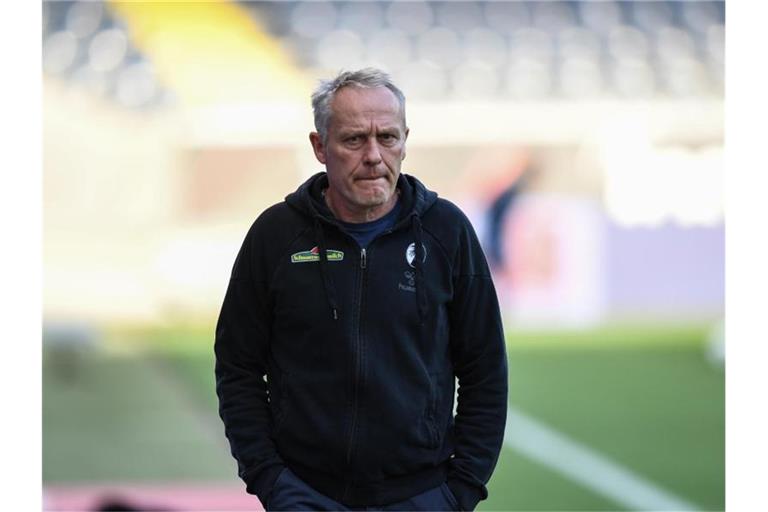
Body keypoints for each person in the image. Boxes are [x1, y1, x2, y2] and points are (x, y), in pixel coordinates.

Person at [215, 68, 508, 511]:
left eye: (388, 138)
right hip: (305, 494)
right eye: (354, 140)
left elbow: (485, 369)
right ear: (319, 146)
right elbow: (238, 365)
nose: (374, 155)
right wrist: (270, 479)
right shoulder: (275, 236)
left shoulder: (447, 233)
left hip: (423, 496)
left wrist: (460, 490)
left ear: (405, 140)